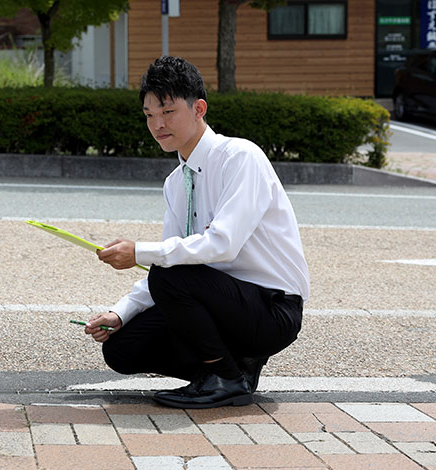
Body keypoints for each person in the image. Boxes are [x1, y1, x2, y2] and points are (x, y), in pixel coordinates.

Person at [84, 56, 310, 409]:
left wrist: (139, 252)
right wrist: (120, 312)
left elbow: (222, 245)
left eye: (168, 111)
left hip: (271, 310)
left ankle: (225, 377)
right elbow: (171, 260)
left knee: (168, 274)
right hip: (217, 301)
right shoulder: (176, 182)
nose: (157, 124)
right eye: (148, 115)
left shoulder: (240, 157)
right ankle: (235, 368)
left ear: (198, 108)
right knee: (121, 349)